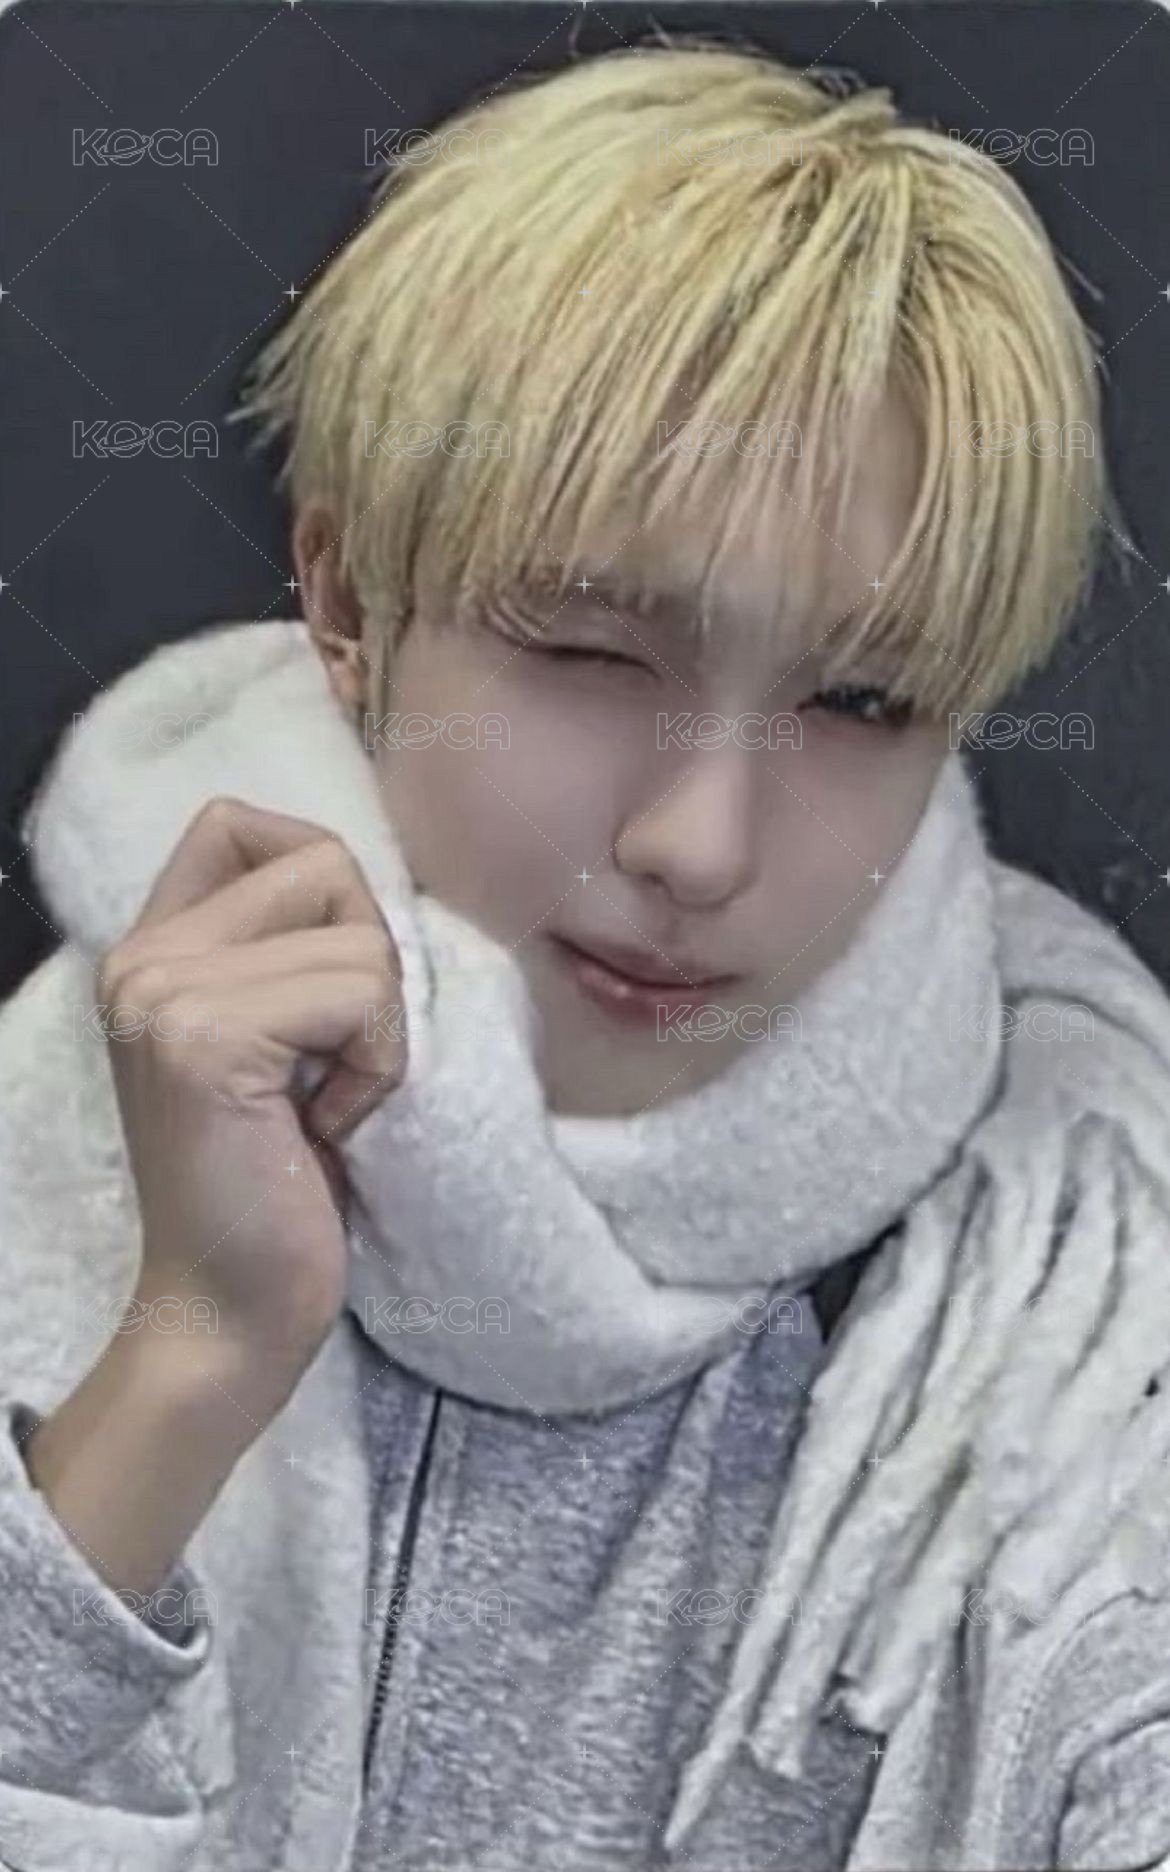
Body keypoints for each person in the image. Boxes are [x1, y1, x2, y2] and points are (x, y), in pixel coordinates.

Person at [2, 33, 1170, 1872]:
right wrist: (186, 1355)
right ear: (345, 603)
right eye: (590, 654)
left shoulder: (1070, 1298)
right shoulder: (51, 1121)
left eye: (861, 701)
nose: (699, 846)